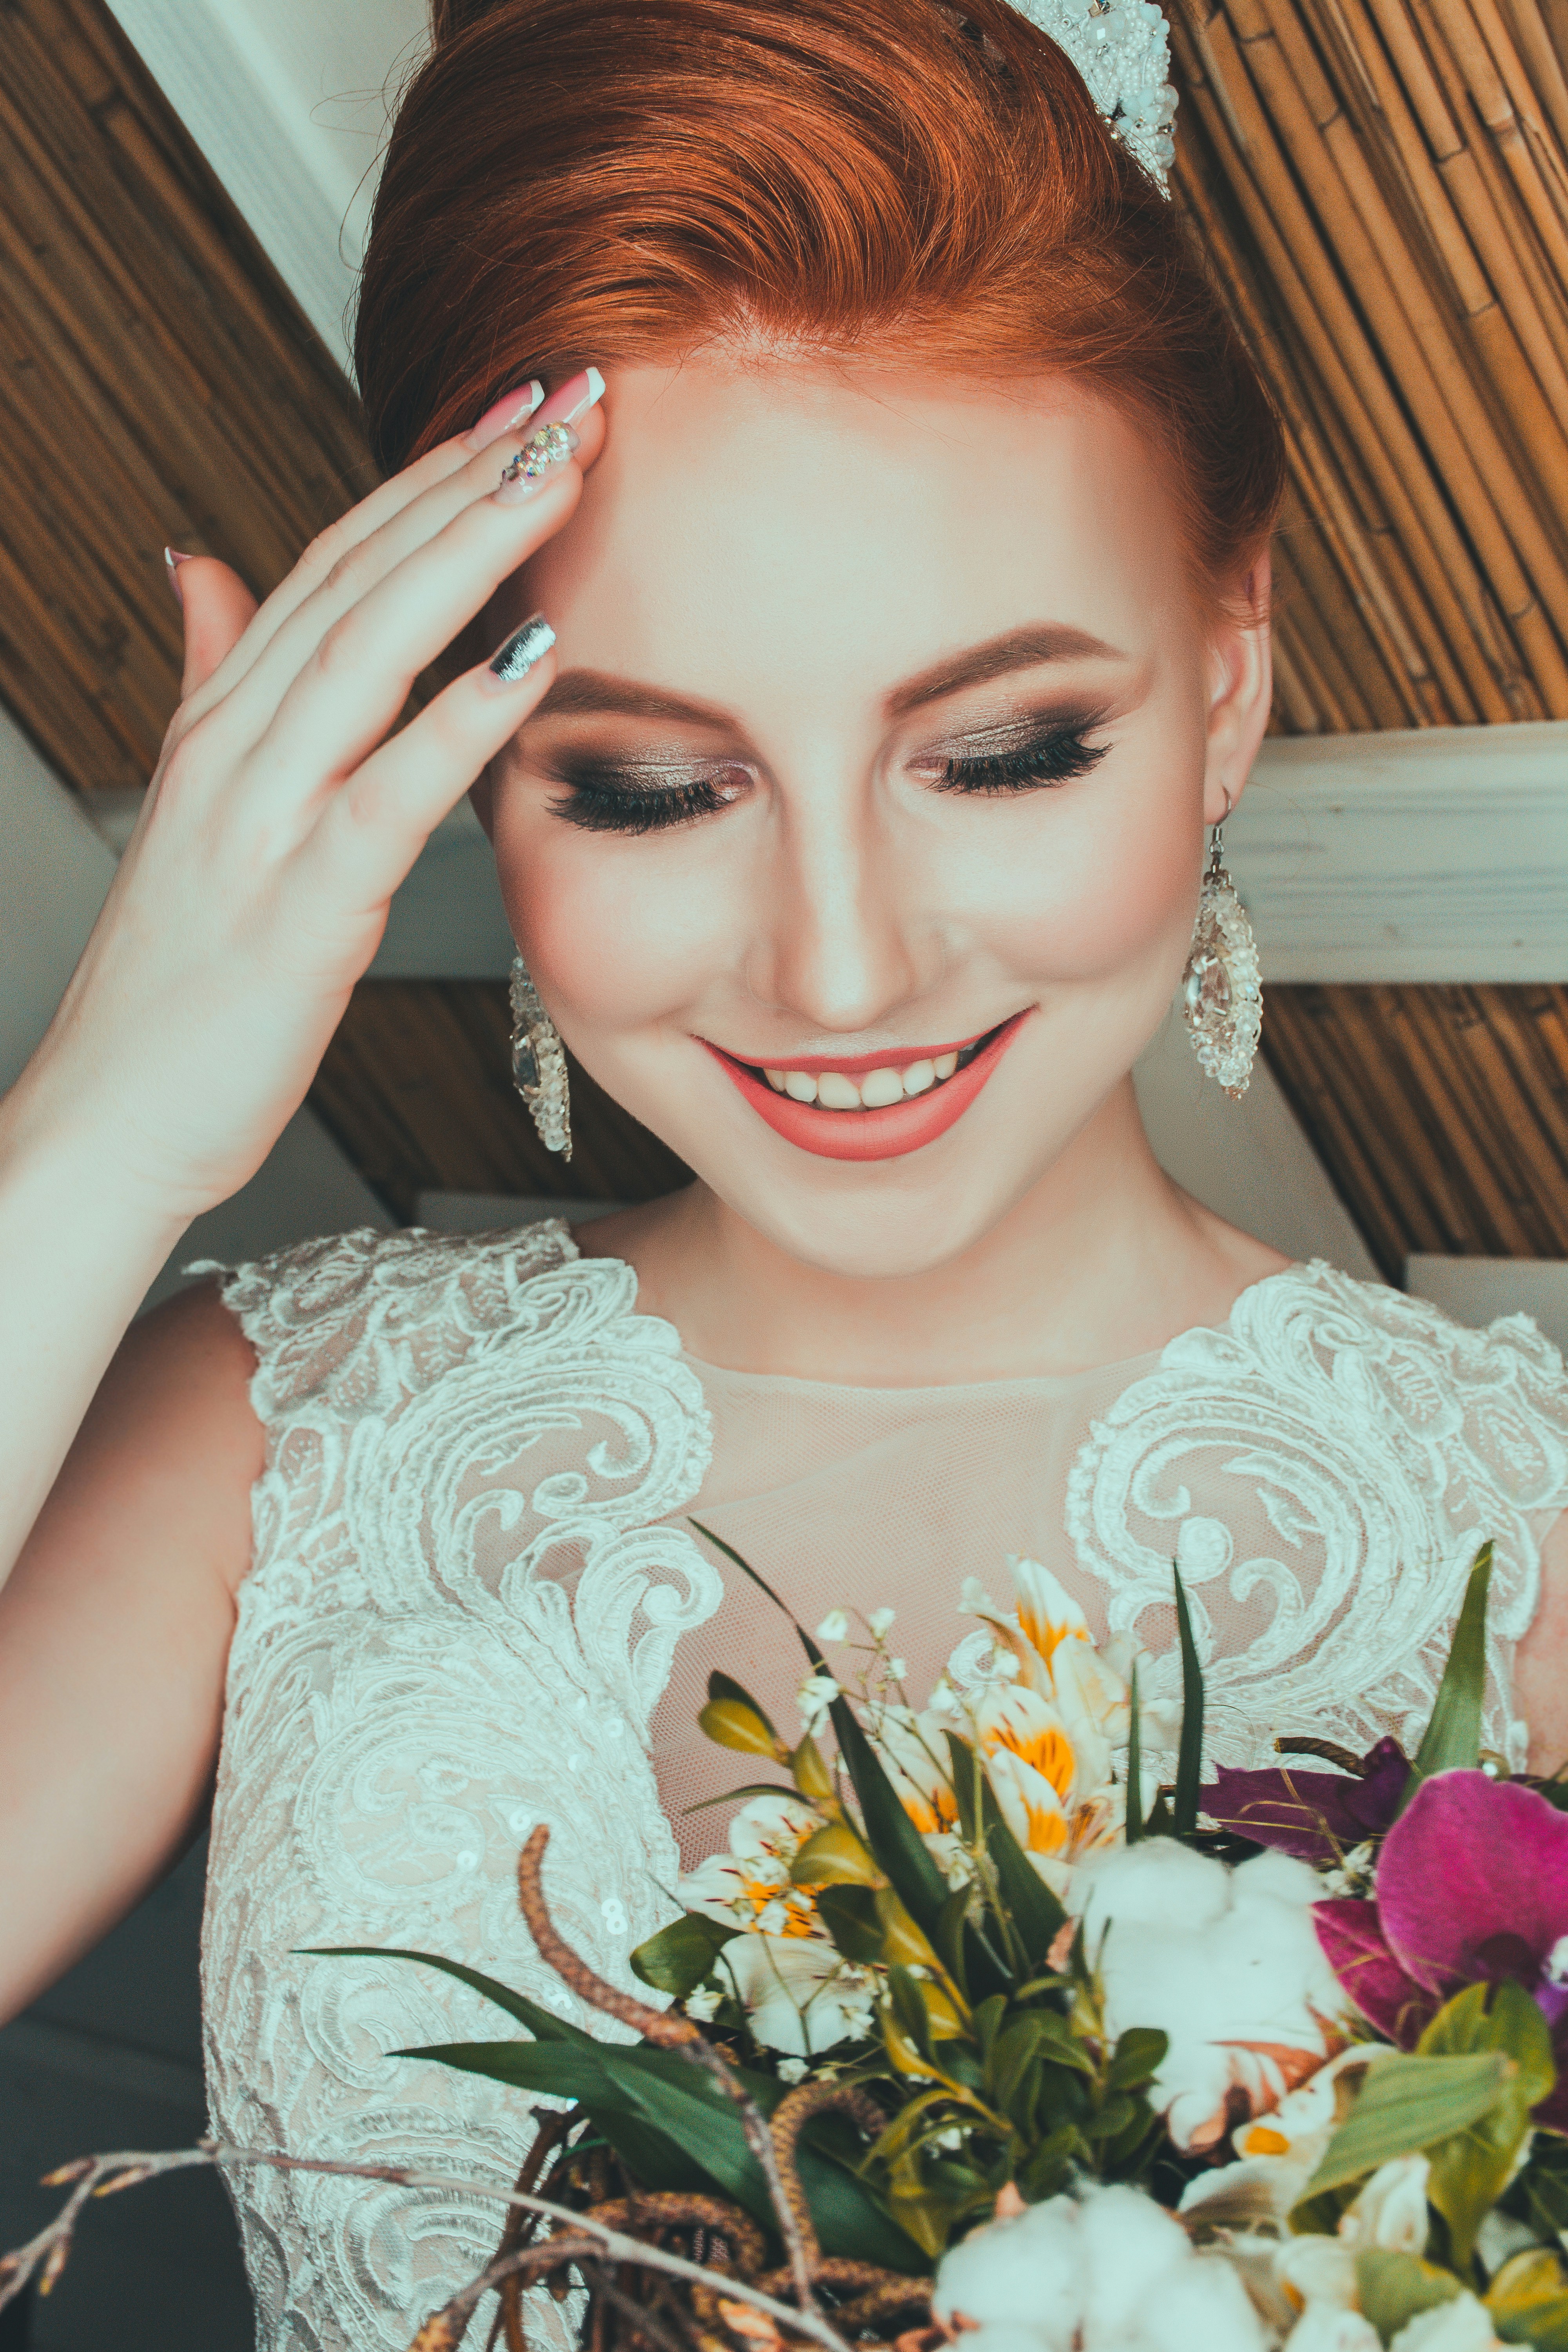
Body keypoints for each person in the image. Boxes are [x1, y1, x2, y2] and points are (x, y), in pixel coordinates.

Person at [1, 0, 1564, 2338]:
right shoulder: (266, 1432)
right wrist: (115, 1119)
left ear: (1230, 676)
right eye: (644, 784)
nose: (841, 970)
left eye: (1007, 749)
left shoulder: (1518, 1533)